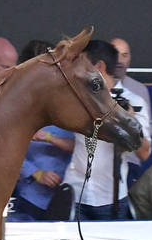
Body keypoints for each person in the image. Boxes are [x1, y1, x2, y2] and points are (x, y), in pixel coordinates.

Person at [62, 40, 146, 220]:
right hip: (76, 193)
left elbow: (144, 153)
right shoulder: (76, 98)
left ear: (98, 66)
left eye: (81, 63)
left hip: (110, 197)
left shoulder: (134, 102)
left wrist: (130, 120)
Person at [111, 37, 152, 184]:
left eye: (125, 55)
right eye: (115, 54)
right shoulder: (93, 88)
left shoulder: (139, 90)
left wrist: (130, 122)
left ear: (129, 59)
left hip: (131, 158)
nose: (120, 60)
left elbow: (149, 129)